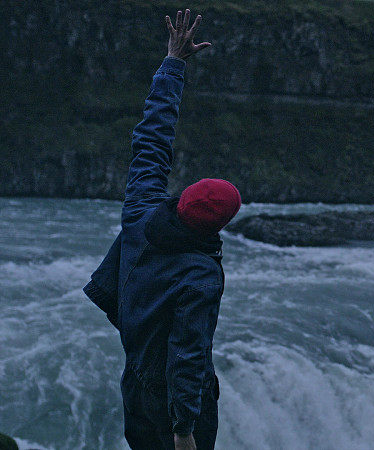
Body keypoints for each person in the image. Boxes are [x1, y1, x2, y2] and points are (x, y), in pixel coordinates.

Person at [83, 9, 238, 450]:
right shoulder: (199, 274)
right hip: (175, 406)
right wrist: (185, 429)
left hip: (135, 380)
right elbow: (188, 356)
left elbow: (152, 138)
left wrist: (174, 63)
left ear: (183, 198)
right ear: (220, 225)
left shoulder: (142, 210)